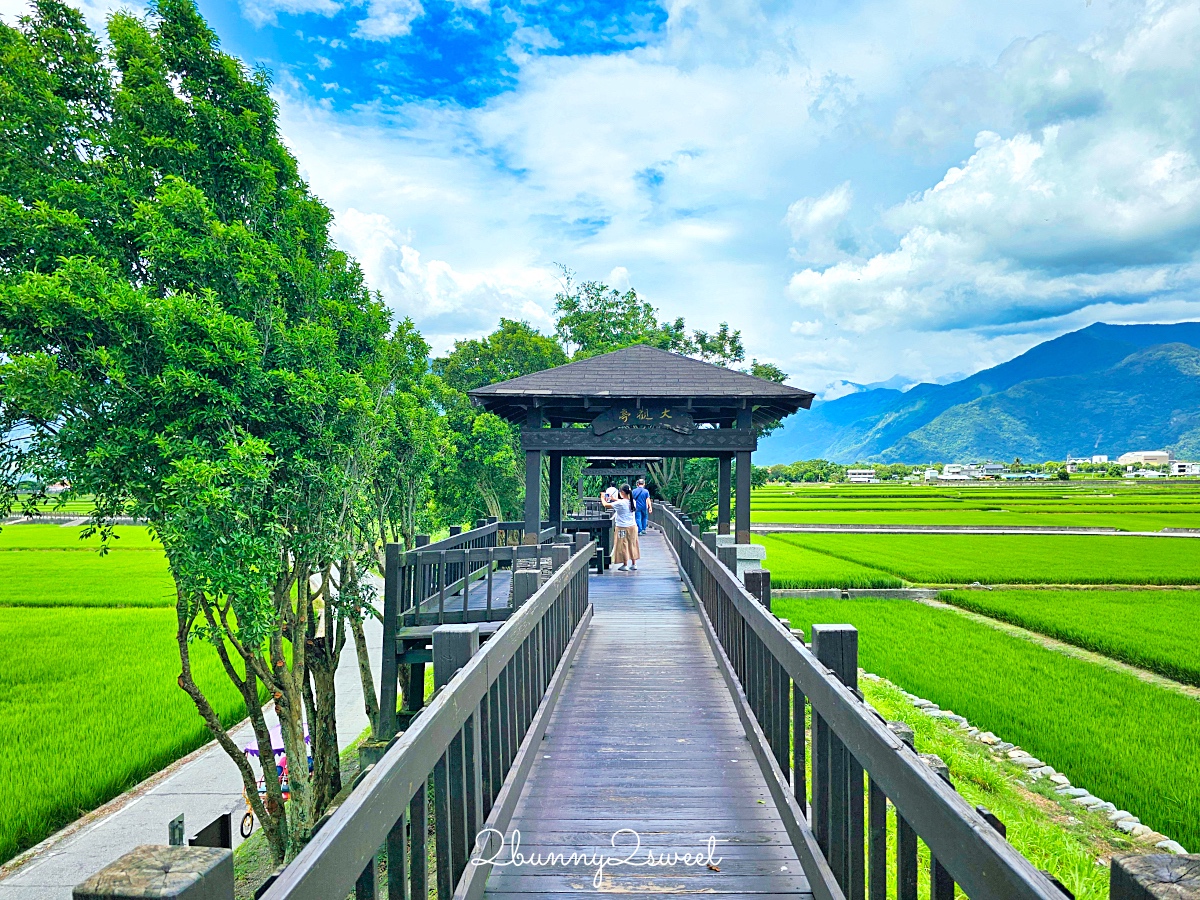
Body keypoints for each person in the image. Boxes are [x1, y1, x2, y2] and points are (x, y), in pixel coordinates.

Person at [602, 483, 640, 571]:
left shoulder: (620, 503)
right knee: (632, 544)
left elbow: (606, 505)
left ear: (622, 492)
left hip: (622, 527)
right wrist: (613, 499)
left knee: (623, 544)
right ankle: (634, 564)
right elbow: (622, 502)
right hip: (632, 526)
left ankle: (625, 564)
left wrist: (602, 498)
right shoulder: (632, 501)